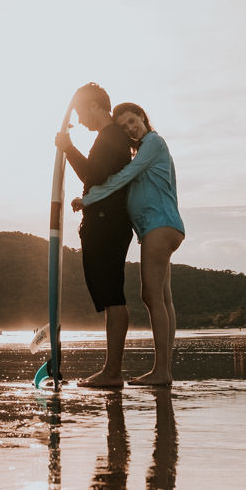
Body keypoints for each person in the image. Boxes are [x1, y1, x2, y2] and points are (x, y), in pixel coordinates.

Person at [72, 102, 184, 386]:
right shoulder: (146, 148)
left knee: (151, 297)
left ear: (143, 118)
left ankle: (162, 371)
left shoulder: (153, 143)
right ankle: (164, 370)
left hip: (159, 227)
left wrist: (88, 199)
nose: (130, 128)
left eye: (133, 121)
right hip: (163, 225)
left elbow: (123, 177)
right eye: (124, 126)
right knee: (164, 298)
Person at [55, 83, 135, 388]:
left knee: (113, 295)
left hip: (108, 223)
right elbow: (95, 175)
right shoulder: (109, 137)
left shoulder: (111, 135)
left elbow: (93, 174)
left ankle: (112, 372)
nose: (80, 118)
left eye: (80, 111)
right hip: (104, 222)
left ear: (95, 106)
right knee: (109, 295)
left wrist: (68, 147)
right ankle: (111, 370)